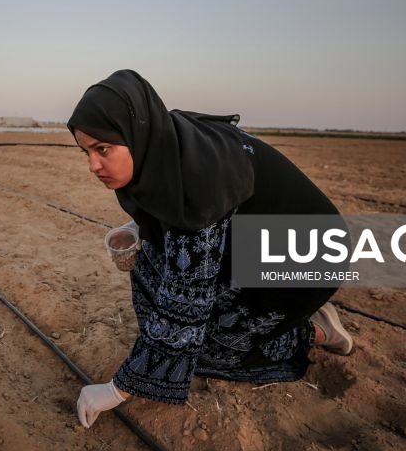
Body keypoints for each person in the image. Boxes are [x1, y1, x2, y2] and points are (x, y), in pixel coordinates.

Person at [69, 70, 353, 429]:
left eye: (103, 149)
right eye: (86, 151)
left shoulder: (197, 186)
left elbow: (184, 310)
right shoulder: (168, 141)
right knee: (158, 267)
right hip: (261, 240)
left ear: (133, 133)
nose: (93, 165)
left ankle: (314, 331)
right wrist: (137, 227)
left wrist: (115, 390)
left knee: (201, 350)